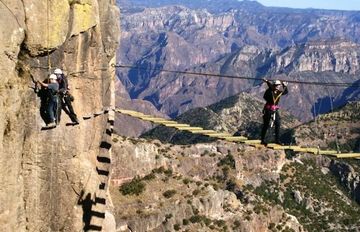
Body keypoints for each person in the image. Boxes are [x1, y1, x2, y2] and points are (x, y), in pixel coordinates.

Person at [260, 79, 288, 145]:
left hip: (274, 110)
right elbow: (265, 96)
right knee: (266, 125)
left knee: (278, 124)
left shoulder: (278, 92)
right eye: (278, 86)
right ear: (275, 86)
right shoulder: (269, 91)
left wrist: (285, 86)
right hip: (268, 110)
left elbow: (285, 92)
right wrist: (267, 83)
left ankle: (277, 140)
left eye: (279, 86)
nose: (279, 87)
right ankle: (262, 140)